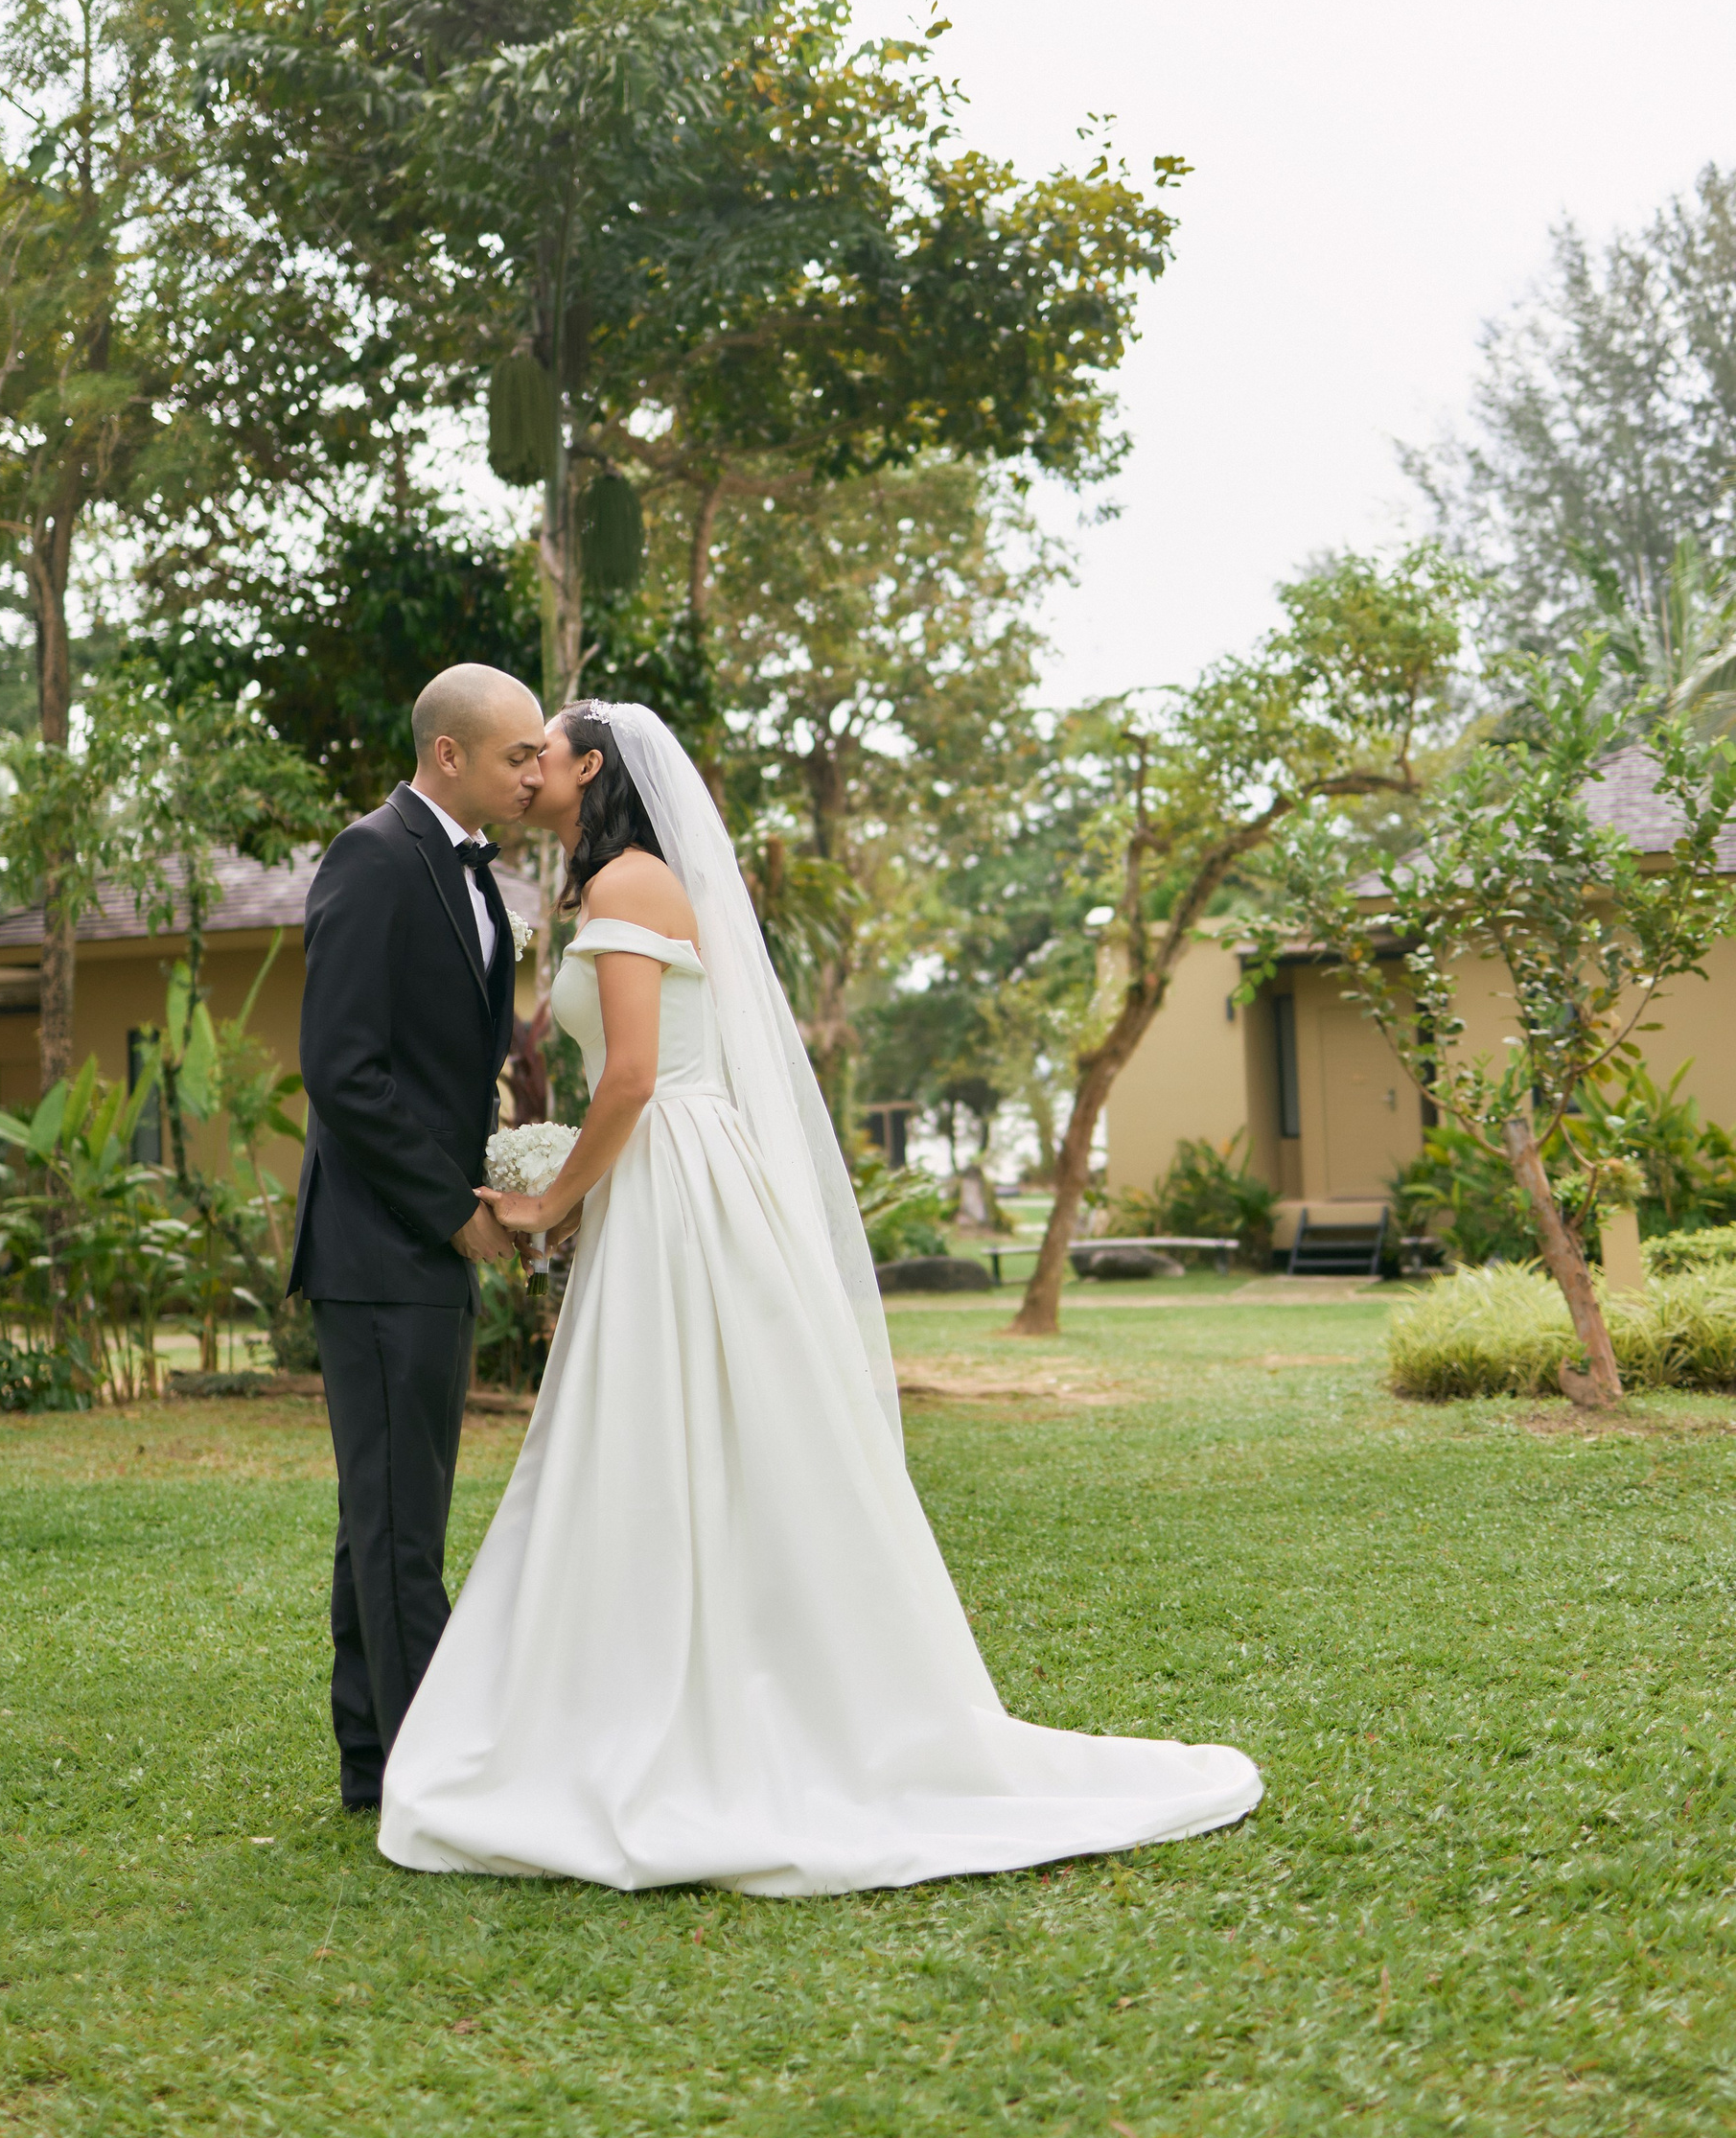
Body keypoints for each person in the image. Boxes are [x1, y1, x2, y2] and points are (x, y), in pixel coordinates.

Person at [378, 702, 1261, 1893]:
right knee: (676, 1426)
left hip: (673, 1173)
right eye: (515, 752)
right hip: (669, 1176)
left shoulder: (627, 886)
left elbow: (631, 1079)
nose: (529, 769)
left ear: (591, 766)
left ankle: (700, 1706)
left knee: (665, 1421)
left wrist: (547, 1200)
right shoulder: (621, 886)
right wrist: (588, 1191)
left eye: (546, 752)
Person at [289, 663, 544, 1813]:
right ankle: (431, 1785)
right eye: (517, 756)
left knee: (385, 1517)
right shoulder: (374, 856)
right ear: (450, 754)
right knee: (399, 1529)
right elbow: (342, 1070)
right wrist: (451, 1210)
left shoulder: (471, 871)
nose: (533, 774)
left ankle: (376, 1764)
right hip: (381, 1246)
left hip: (421, 1244)